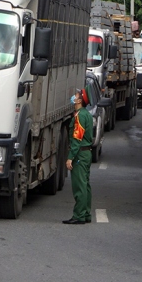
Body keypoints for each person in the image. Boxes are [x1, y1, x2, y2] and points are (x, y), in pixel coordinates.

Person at [63, 86, 93, 224]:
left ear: (79, 100)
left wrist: (70, 157)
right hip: (86, 154)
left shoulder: (80, 116)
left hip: (80, 155)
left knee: (79, 186)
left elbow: (76, 139)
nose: (73, 97)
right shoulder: (86, 114)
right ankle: (86, 213)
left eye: (75, 95)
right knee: (85, 184)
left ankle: (79, 216)